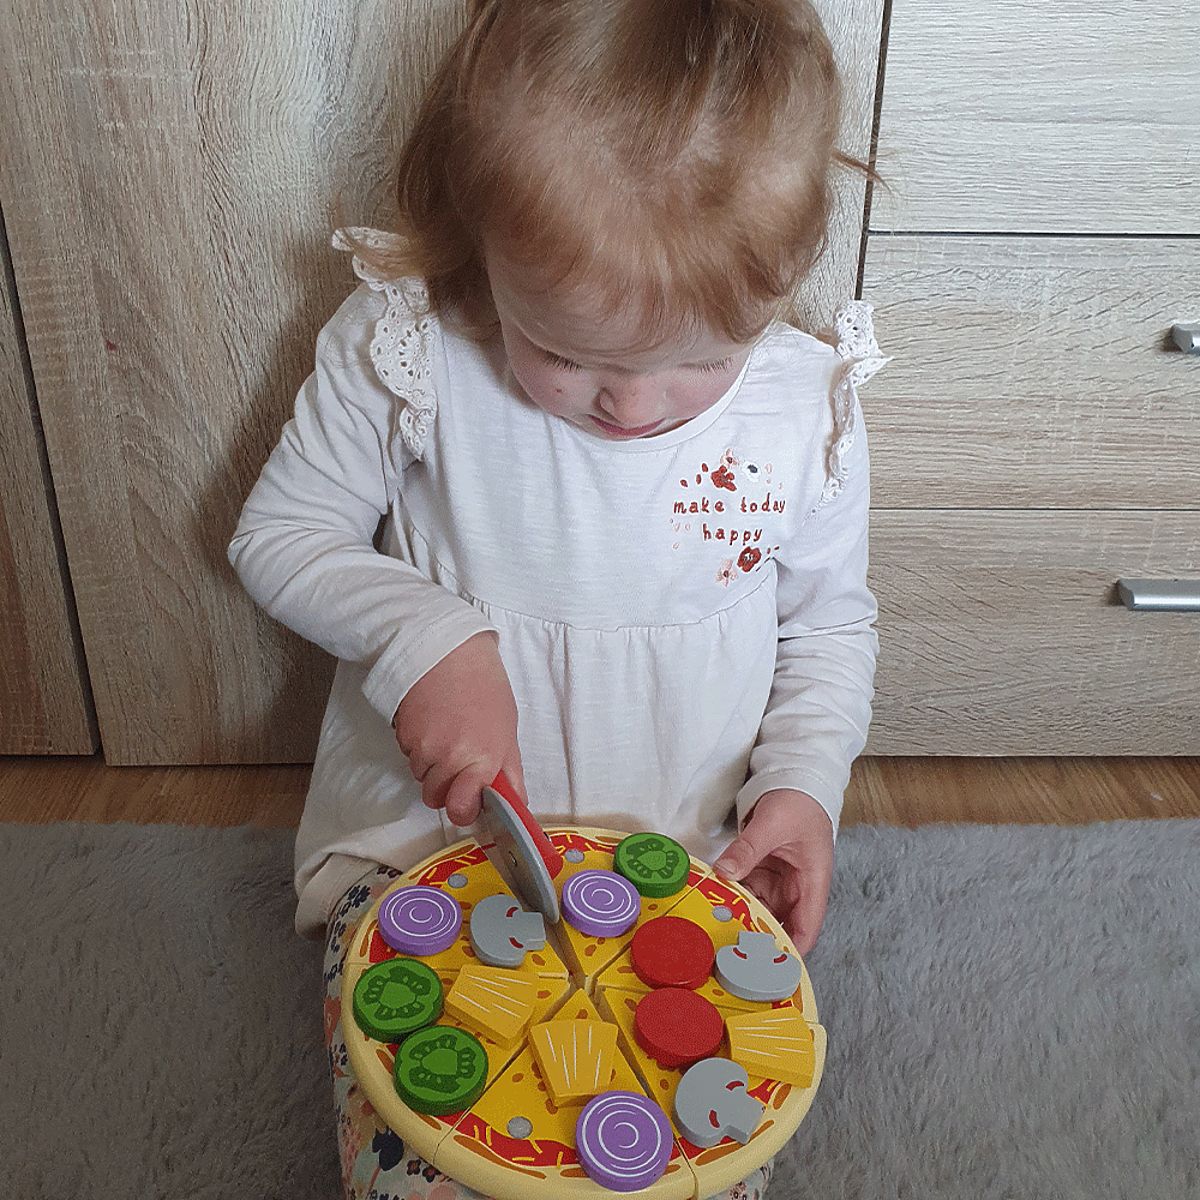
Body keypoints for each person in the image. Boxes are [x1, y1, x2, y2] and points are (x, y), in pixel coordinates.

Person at [228, 2, 888, 1196]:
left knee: (690, 1156)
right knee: (433, 1148)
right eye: (570, 353)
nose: (633, 407)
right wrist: (426, 634)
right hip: (430, 853)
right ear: (479, 240)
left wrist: (805, 786)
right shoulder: (409, 348)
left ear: (783, 276)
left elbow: (829, 624)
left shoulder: (807, 408)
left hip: (682, 863)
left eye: (703, 357)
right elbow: (279, 534)